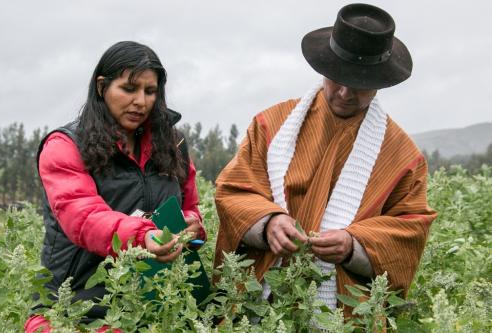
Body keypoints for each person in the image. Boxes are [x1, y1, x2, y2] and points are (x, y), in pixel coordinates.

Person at [214, 3, 436, 315]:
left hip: (342, 315)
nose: (345, 92)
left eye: (360, 84)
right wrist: (268, 224)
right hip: (261, 305)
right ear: (324, 69)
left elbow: (409, 230)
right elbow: (233, 191)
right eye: (337, 78)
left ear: (381, 82)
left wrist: (353, 245)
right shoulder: (270, 125)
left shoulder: (402, 157)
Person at [25, 41, 205, 332]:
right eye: (129, 88)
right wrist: (144, 235)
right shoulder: (66, 146)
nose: (141, 102)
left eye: (150, 91)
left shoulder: (172, 145)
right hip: (73, 310)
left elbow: (189, 207)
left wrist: (192, 226)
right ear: (101, 87)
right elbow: (84, 218)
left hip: (150, 306)